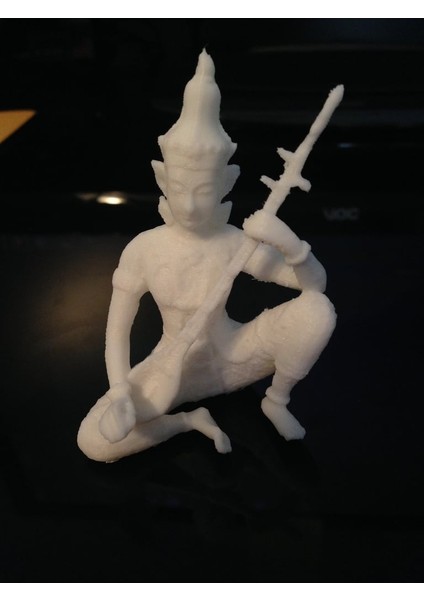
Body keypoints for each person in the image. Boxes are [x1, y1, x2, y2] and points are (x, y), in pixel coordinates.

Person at [77, 50, 336, 462]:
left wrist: (288, 242)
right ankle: (187, 421)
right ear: (163, 181)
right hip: (175, 368)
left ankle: (276, 400)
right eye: (180, 190)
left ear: (227, 183)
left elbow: (314, 285)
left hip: (237, 356)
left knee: (317, 311)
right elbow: (117, 332)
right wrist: (122, 391)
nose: (191, 206)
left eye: (203, 192)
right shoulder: (145, 249)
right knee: (94, 441)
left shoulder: (235, 241)